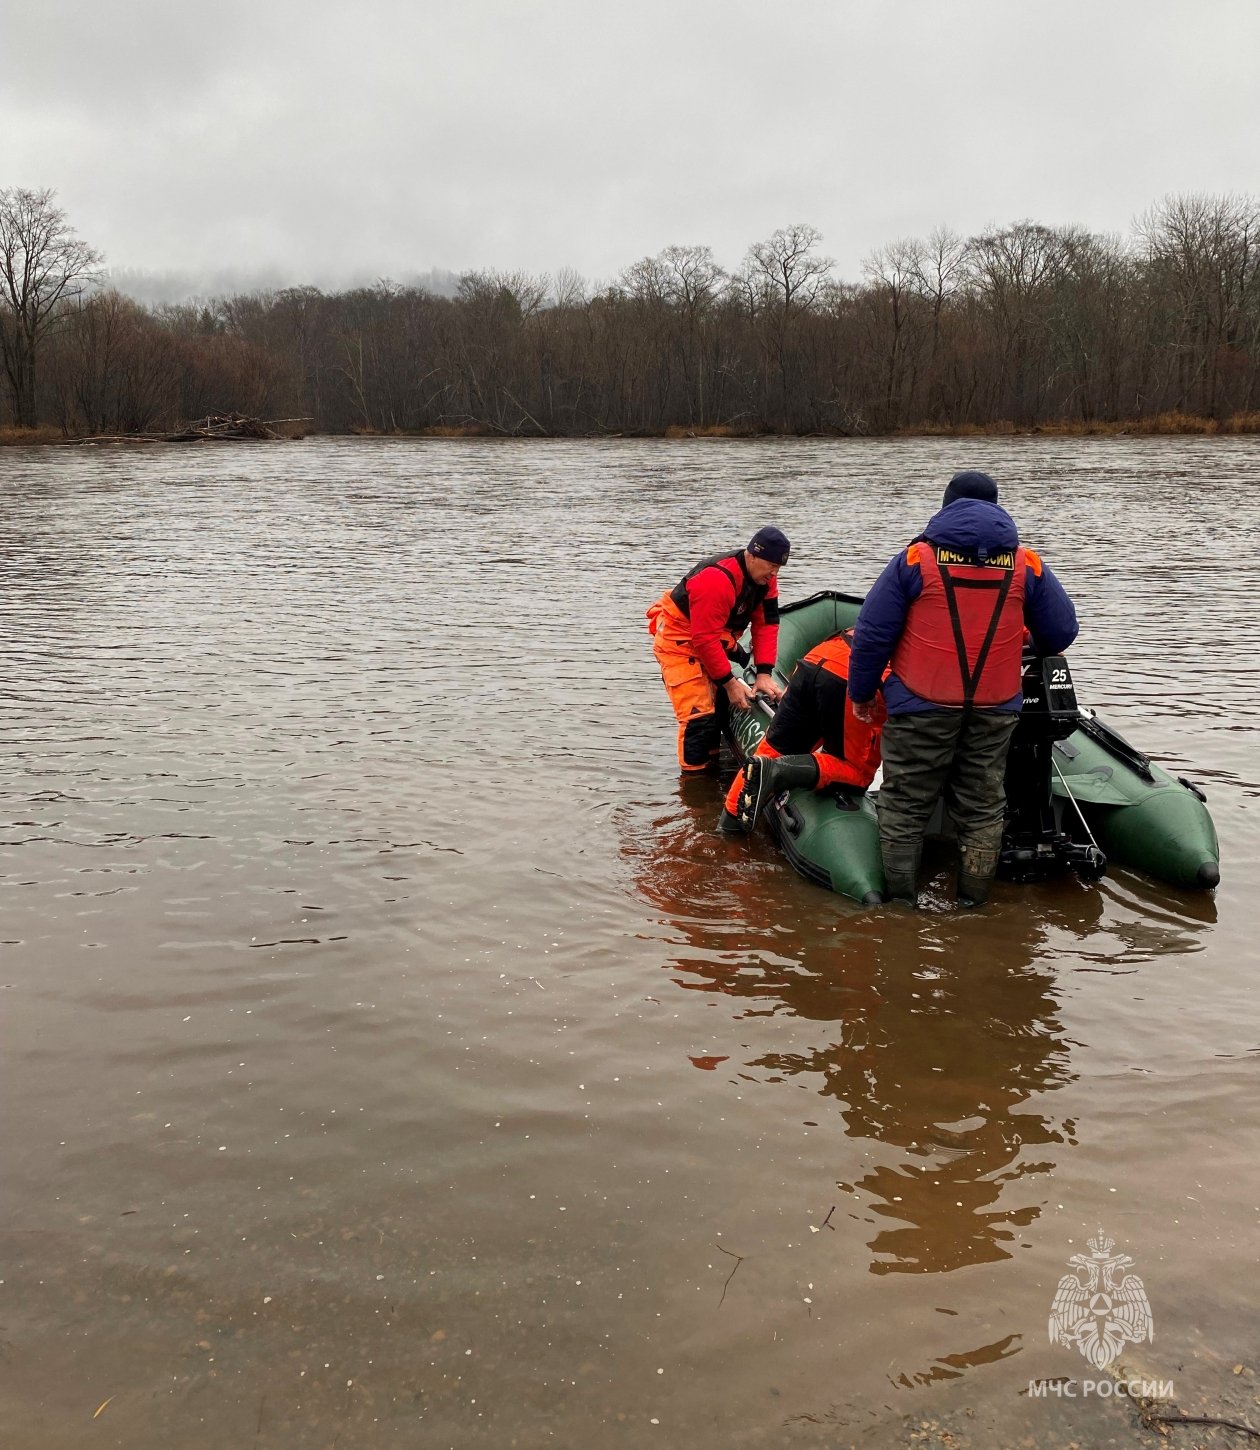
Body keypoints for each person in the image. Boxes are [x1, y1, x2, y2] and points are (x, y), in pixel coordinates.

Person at [846, 471, 1079, 908]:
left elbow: (873, 635)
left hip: (920, 705)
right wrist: (1032, 642)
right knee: (983, 807)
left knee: (905, 806)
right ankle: (972, 908)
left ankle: (900, 909)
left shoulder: (916, 560)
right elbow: (1062, 631)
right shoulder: (1027, 564)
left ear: (946, 505)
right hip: (995, 710)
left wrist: (861, 693)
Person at [646, 527, 790, 775]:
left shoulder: (766, 581)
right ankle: (694, 789)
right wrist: (730, 682)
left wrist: (765, 673)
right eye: (770, 565)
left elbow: (766, 623)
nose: (774, 573)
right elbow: (704, 639)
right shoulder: (717, 578)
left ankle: (712, 775)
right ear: (752, 555)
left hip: (714, 638)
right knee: (699, 718)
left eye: (779, 567)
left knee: (719, 710)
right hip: (680, 643)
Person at [718, 627, 886, 833]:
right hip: (852, 678)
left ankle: (728, 828)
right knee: (856, 772)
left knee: (771, 751)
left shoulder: (886, 611)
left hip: (816, 660)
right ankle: (780, 771)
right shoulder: (927, 633)